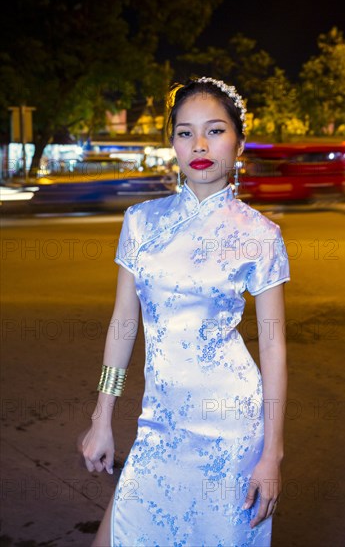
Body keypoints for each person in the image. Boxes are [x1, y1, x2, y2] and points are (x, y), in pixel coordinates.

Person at [81, 77, 290, 546]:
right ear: (172, 143)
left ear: (238, 141)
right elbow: (123, 324)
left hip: (232, 429)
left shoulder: (260, 234)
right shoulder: (141, 222)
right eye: (184, 132)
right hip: (158, 424)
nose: (199, 144)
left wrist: (271, 454)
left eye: (215, 131)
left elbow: (274, 348)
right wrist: (102, 418)